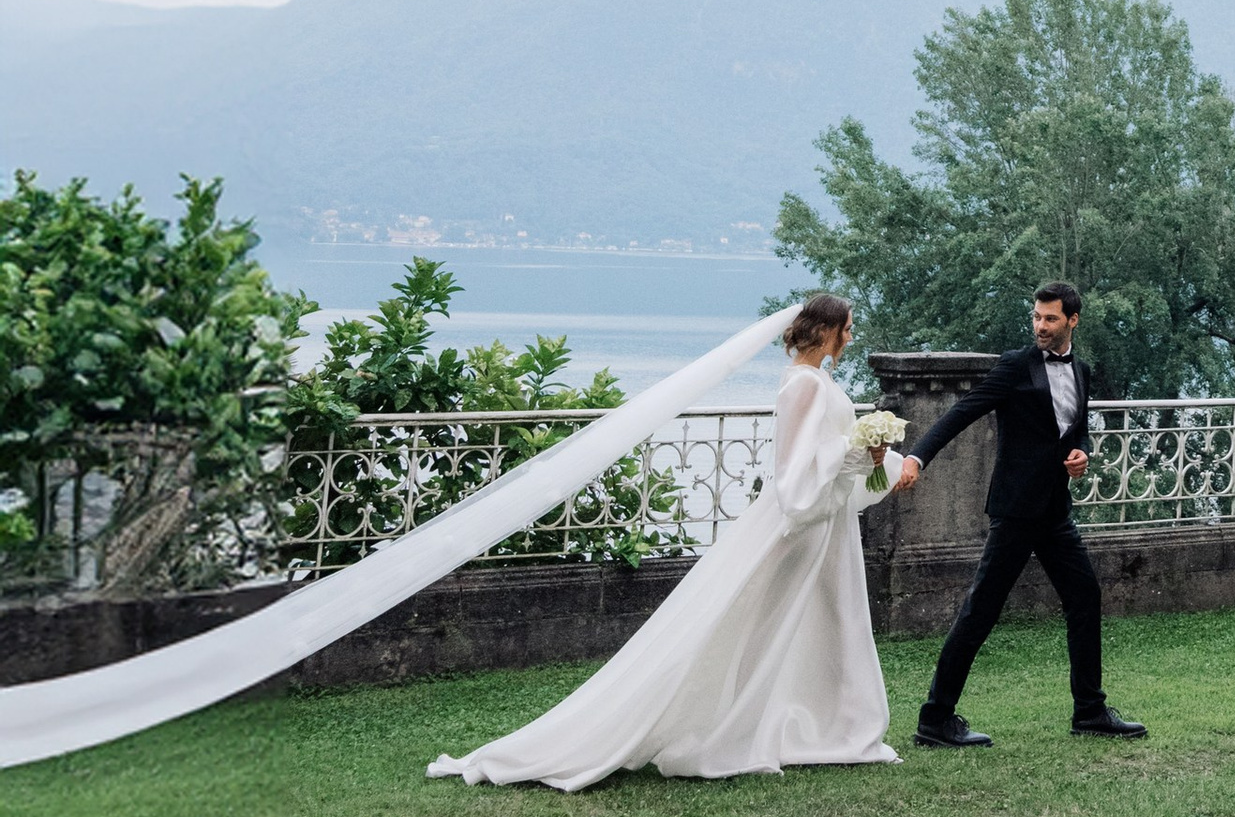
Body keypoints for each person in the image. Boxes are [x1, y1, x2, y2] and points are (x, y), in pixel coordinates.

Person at [430, 295, 899, 790]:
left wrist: (882, 462)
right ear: (824, 330)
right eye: (846, 327)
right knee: (751, 622)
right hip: (802, 523)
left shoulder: (819, 380)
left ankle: (824, 725)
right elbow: (793, 470)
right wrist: (857, 456)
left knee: (819, 621)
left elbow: (830, 450)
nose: (851, 335)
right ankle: (738, 726)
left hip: (827, 522)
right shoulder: (803, 384)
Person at [898, 282, 1147, 747]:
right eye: (1036, 317)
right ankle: (935, 718)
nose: (1040, 326)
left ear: (1072, 320)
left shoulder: (1082, 370)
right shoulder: (1015, 366)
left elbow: (1078, 429)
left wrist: (1080, 454)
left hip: (1055, 512)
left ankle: (1090, 711)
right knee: (981, 611)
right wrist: (917, 457)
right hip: (1015, 512)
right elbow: (963, 412)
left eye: (1050, 319)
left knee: (1085, 598)